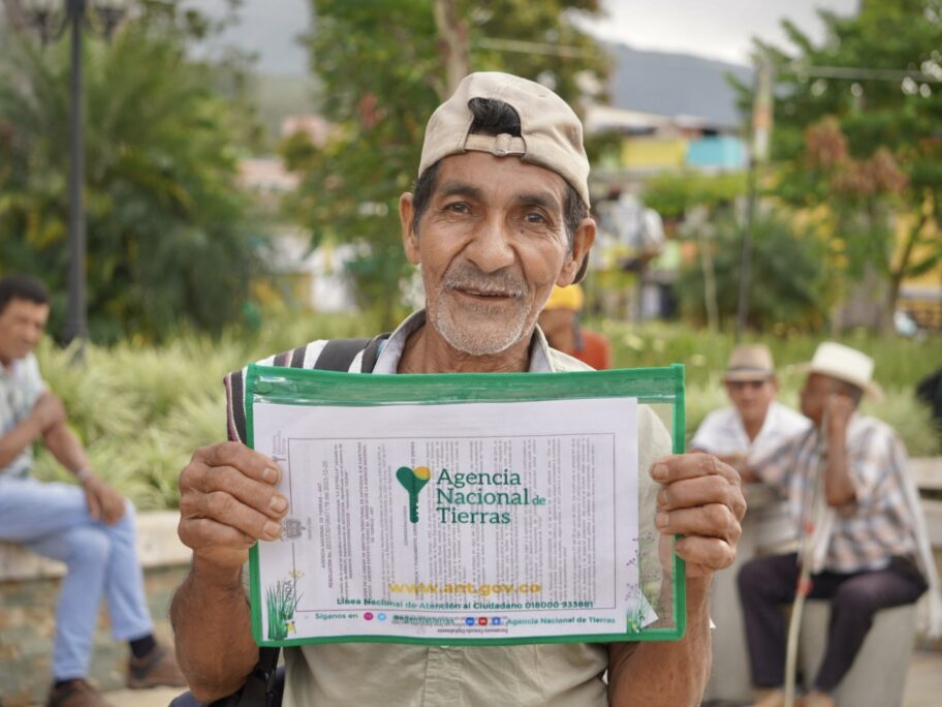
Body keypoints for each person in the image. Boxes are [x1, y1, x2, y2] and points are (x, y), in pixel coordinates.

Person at [170, 72, 746, 707]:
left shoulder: (627, 434)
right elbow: (213, 678)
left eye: (532, 218)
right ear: (413, 228)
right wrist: (216, 565)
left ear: (574, 252)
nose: (493, 252)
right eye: (460, 209)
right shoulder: (301, 405)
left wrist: (692, 577)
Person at [0, 275, 185, 707]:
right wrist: (36, 422)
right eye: (20, 321)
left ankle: (67, 682)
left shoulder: (24, 365)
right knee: (120, 515)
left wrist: (91, 479)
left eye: (38, 325)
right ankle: (143, 652)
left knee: (92, 546)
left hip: (14, 492)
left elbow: (56, 428)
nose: (30, 334)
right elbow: (42, 422)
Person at [738, 342, 940, 707]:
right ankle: (771, 689)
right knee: (756, 576)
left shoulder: (876, 438)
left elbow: (838, 495)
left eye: (812, 388)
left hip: (892, 568)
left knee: (856, 596)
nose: (800, 394)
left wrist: (837, 431)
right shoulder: (805, 441)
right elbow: (754, 466)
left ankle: (821, 692)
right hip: (831, 565)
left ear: (841, 398)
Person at [690, 344, 809, 550]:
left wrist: (728, 464)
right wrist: (740, 465)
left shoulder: (797, 427)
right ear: (728, 388)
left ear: (774, 386)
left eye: (756, 384)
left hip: (783, 537)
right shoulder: (716, 421)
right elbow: (692, 460)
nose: (747, 394)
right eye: (739, 385)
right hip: (722, 533)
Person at [538, 283, 612, 369]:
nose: (540, 315)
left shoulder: (597, 347)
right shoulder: (534, 350)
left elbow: (603, 382)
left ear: (569, 311)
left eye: (547, 310)